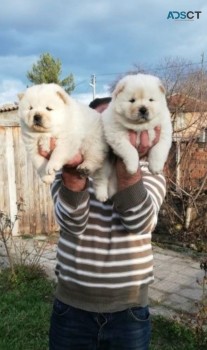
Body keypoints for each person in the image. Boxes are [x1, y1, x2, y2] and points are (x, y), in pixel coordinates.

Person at [40, 97, 166, 350]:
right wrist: (74, 176)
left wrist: (126, 165)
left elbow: (139, 222)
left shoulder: (149, 169)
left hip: (129, 312)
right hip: (71, 309)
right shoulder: (68, 168)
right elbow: (71, 224)